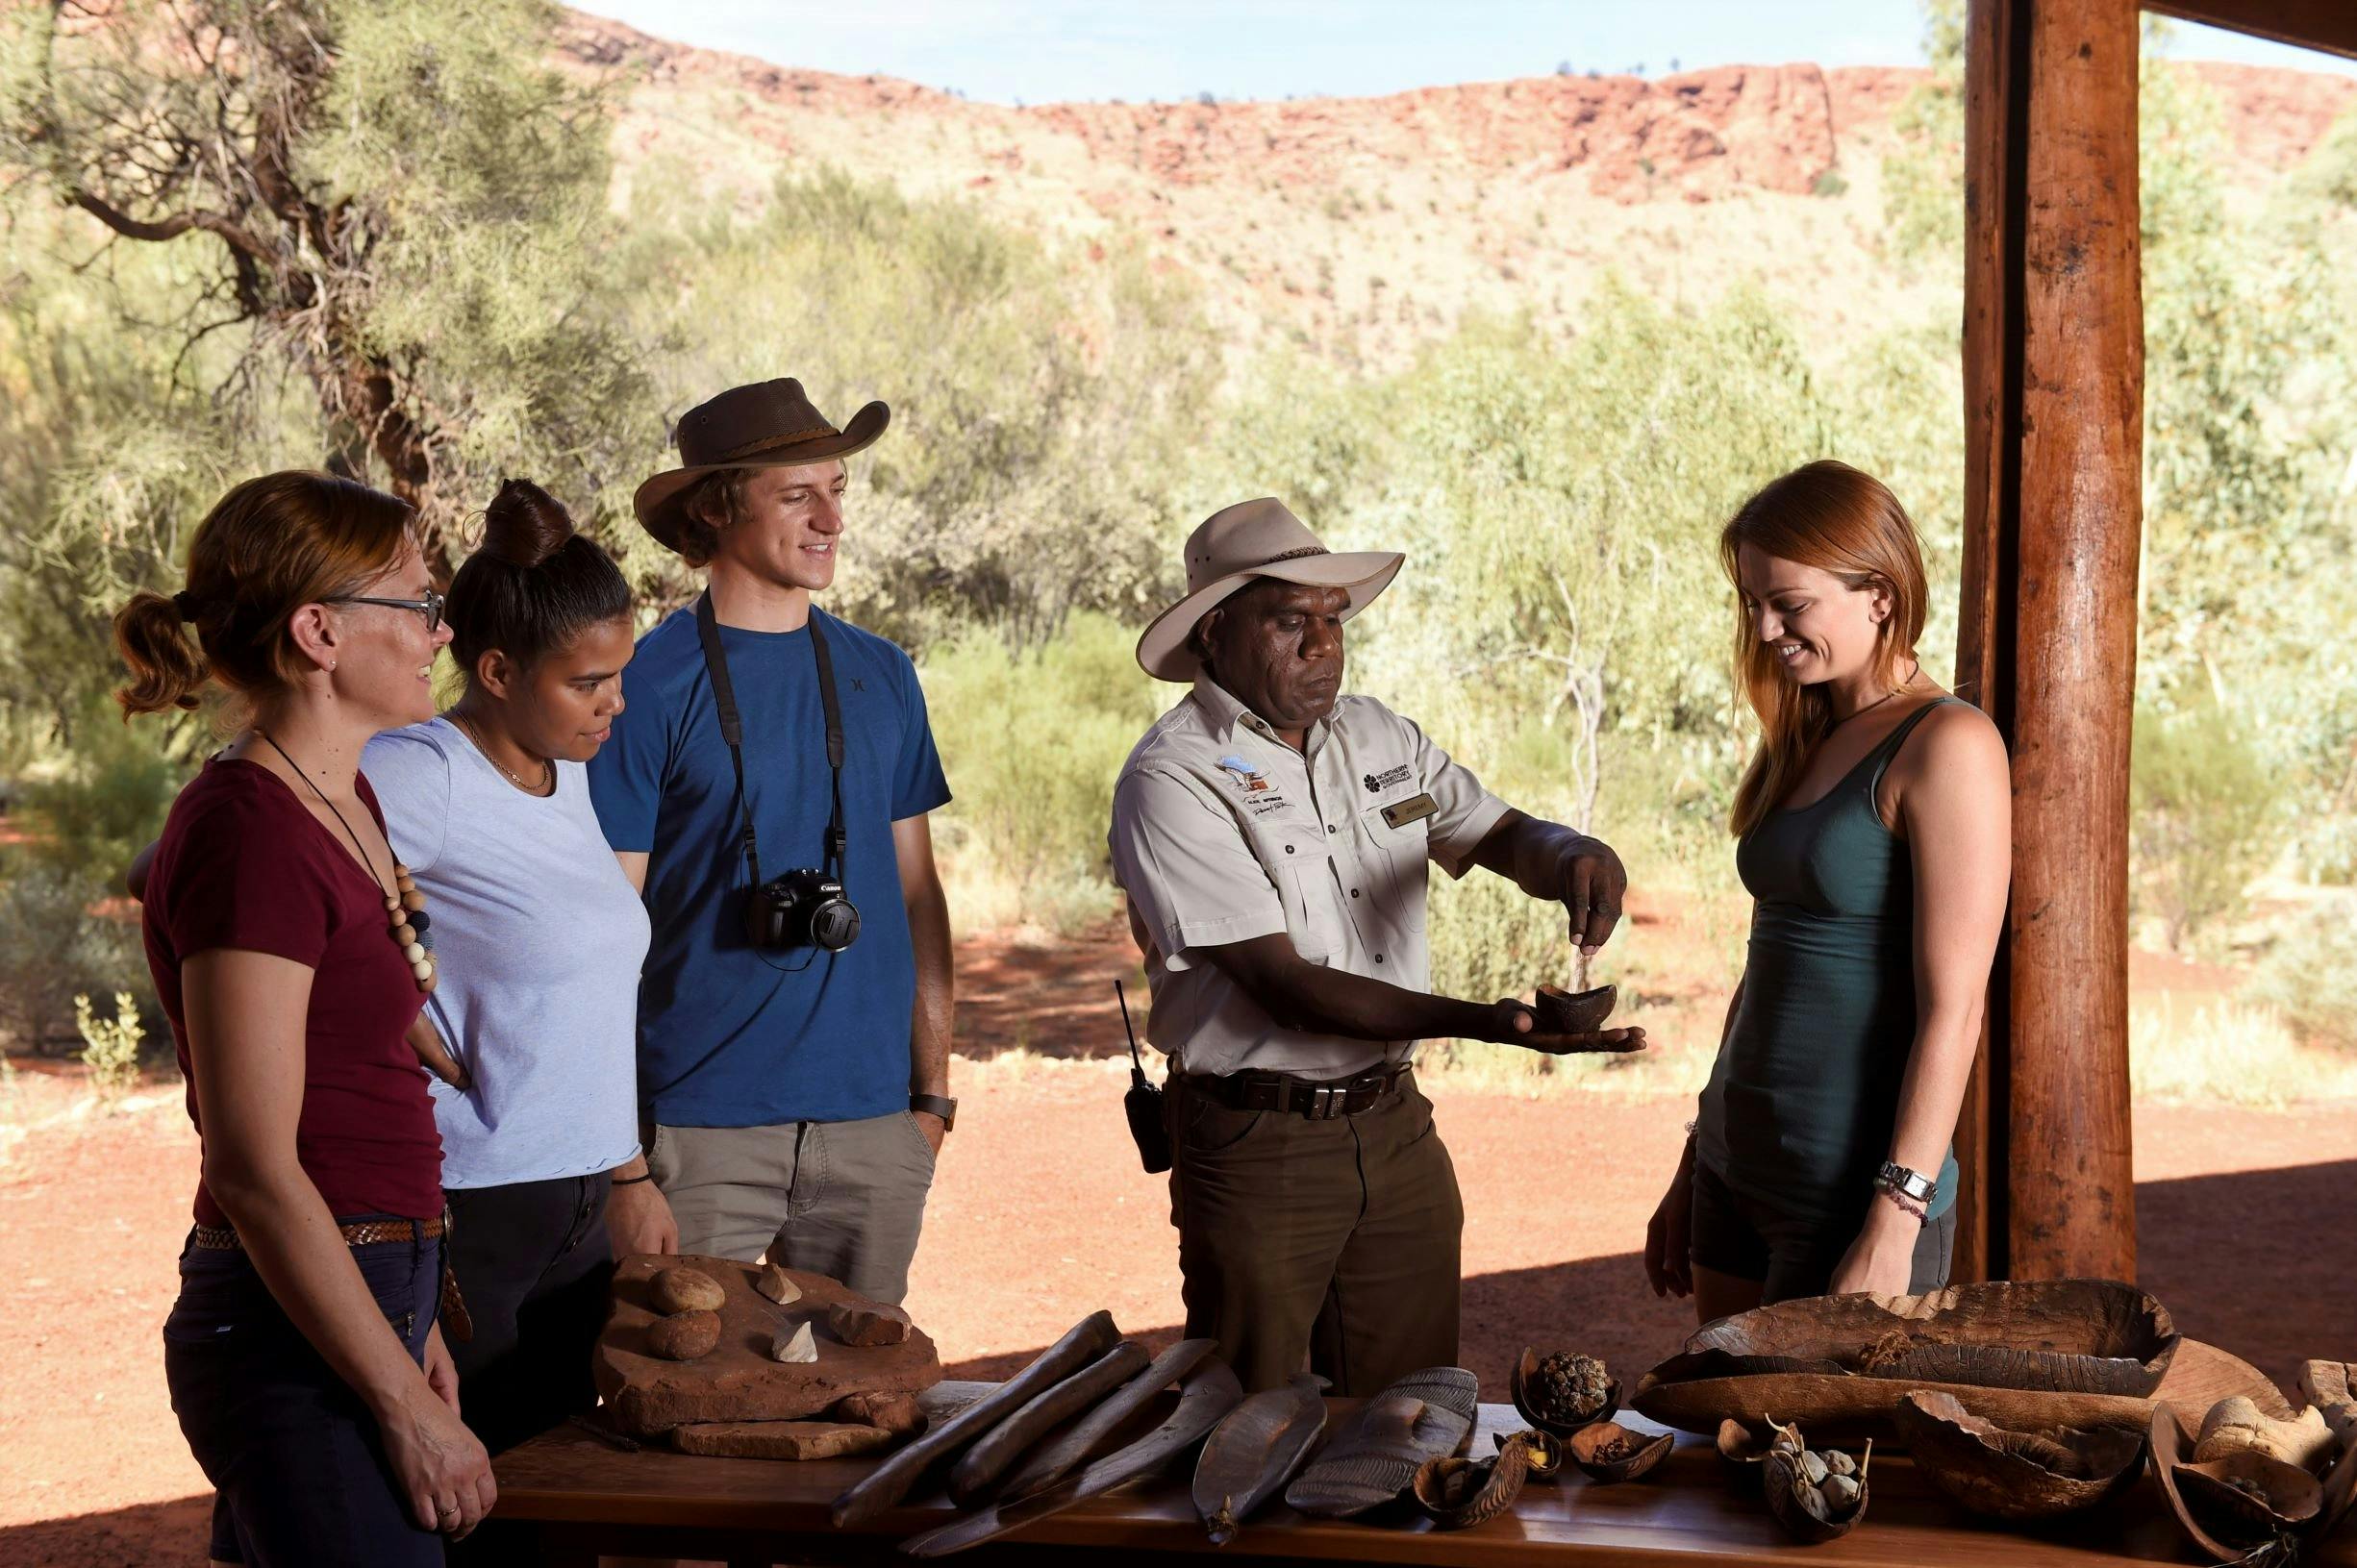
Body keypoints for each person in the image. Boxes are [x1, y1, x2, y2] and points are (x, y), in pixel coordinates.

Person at [1107, 497, 1646, 1397]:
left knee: (1412, 1414)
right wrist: (1490, 1022)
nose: (1324, 645)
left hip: (1394, 1127)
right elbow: (1287, 986)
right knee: (1251, 1424)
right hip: (1256, 1140)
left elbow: (1497, 830)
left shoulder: (1376, 735)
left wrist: (1573, 855)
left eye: (1333, 620)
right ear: (1210, 635)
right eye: (1289, 622)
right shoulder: (1172, 779)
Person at [115, 471, 494, 1564]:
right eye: (420, 603)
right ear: (320, 630)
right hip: (292, 1330)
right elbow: (253, 1166)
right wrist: (402, 1398)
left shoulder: (339, 794)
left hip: (366, 1289)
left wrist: (409, 1322)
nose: (441, 628)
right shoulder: (251, 835)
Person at [589, 378, 954, 1306]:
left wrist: (931, 1103)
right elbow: (602, 934)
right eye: (798, 494)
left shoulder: (884, 673)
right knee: (685, 1407)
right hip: (697, 1131)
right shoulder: (642, 684)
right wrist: (623, 1154)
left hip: (874, 1128)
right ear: (717, 508)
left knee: (857, 1411)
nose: (833, 516)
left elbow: (918, 896)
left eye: (838, 489)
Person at [1643, 460, 2009, 1318]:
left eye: (1789, 603)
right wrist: (1695, 1161)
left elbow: (1955, 1009)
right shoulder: (1806, 732)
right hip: (1737, 1169)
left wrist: (1896, 1211)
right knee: (1722, 1436)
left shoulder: (1946, 742)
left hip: (1851, 1194)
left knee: (1826, 1454)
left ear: (1879, 595)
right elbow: (1765, 972)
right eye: (1752, 603)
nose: (1766, 627)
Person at [359, 479, 646, 1462]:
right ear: (494, 669)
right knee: (461, 1499)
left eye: (620, 674)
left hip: (579, 1210)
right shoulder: (423, 771)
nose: (615, 702)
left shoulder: (565, 767)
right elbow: (239, 849)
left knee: (553, 1494)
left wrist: (629, 1172)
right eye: (587, 681)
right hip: (476, 1211)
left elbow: (586, 999)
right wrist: (386, 998)